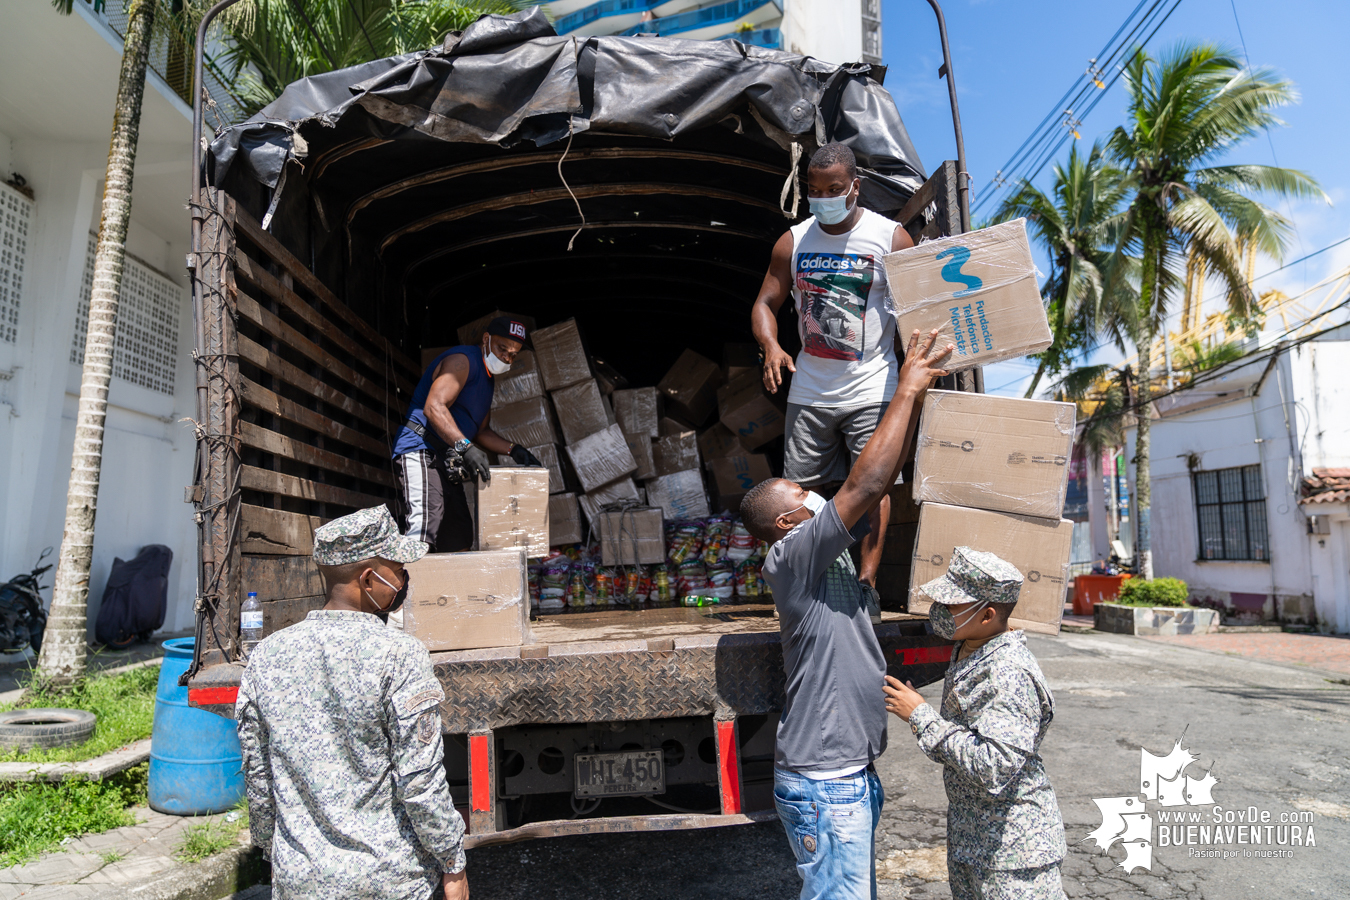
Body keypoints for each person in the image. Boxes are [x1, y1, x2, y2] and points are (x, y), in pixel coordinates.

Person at [738, 328, 953, 900]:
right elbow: (869, 480)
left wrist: (915, 402)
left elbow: (881, 486)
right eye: (799, 493)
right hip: (824, 783)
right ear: (786, 522)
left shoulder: (833, 563)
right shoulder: (792, 557)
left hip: (850, 774)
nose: (811, 493)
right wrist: (904, 388)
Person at [236, 506, 468, 900]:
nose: (403, 579)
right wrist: (453, 863)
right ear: (368, 579)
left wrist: (273, 851)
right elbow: (419, 782)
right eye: (396, 569)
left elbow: (259, 778)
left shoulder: (267, 655)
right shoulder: (399, 655)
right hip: (390, 880)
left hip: (301, 878)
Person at [750, 141, 917, 610]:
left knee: (874, 486)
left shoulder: (890, 238)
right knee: (803, 493)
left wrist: (913, 377)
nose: (823, 197)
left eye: (834, 189)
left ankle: (866, 583)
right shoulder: (794, 240)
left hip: (872, 385)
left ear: (855, 188)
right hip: (810, 389)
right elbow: (766, 303)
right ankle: (811, 583)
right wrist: (772, 346)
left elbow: (916, 311)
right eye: (814, 189)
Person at [882, 547, 1068, 900]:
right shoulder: (972, 645)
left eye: (951, 604)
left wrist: (921, 715)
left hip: (1013, 853)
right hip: (976, 839)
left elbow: (995, 765)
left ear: (987, 614)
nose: (940, 611)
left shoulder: (1006, 672)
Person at [392, 315, 544, 552]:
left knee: (459, 538)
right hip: (421, 449)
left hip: (447, 458)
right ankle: (407, 588)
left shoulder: (488, 380)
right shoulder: (463, 362)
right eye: (502, 348)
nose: (507, 357)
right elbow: (434, 407)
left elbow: (481, 431)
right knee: (423, 530)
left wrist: (514, 450)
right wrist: (466, 448)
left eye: (513, 354)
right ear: (486, 339)